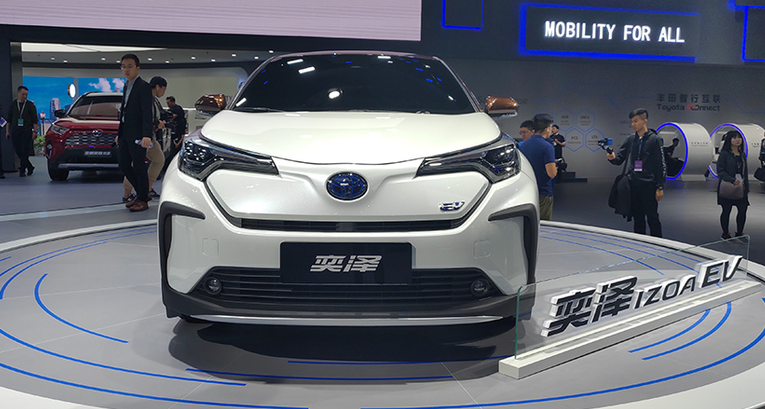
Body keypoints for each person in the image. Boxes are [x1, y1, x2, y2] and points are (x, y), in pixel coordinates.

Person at [607, 108, 666, 237]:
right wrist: (612, 158)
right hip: (633, 184)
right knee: (638, 218)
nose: (633, 124)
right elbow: (619, 159)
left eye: (636, 121)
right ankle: (640, 243)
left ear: (645, 121)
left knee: (652, 217)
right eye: (632, 121)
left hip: (649, 185)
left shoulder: (655, 140)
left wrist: (660, 186)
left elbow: (660, 164)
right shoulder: (630, 139)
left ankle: (658, 243)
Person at [122, 76, 167, 203]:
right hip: (142, 137)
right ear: (157, 87)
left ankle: (147, 189)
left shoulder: (154, 100)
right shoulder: (145, 97)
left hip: (149, 136)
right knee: (137, 164)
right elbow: (144, 116)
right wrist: (157, 123)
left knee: (158, 159)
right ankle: (127, 193)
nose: (163, 93)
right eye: (163, 89)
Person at [117, 54, 154, 212]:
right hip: (126, 133)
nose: (126, 69)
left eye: (129, 66)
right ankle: (142, 193)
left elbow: (147, 112)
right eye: (124, 66)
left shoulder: (143, 86)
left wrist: (147, 135)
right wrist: (119, 133)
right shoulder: (126, 86)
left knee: (139, 167)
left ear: (137, 68)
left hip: (138, 134)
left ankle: (143, 199)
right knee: (123, 164)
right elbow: (124, 112)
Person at [519, 113, 557, 220]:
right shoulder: (547, 147)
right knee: (543, 224)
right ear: (547, 129)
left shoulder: (523, 145)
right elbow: (552, 173)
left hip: (528, 191)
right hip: (543, 192)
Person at [717, 130, 749, 239]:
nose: (737, 140)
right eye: (734, 138)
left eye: (739, 137)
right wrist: (731, 179)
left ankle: (740, 233)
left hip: (741, 187)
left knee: (743, 210)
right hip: (727, 187)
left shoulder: (742, 154)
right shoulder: (724, 154)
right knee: (726, 210)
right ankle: (725, 233)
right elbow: (720, 171)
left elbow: (745, 172)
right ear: (729, 140)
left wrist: (746, 187)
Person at [5, 86, 38, 177]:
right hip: (15, 131)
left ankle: (22, 169)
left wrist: (35, 132)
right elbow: (9, 120)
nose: (25, 96)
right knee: (17, 150)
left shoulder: (30, 105)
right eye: (23, 94)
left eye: (26, 94)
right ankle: (29, 166)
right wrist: (7, 131)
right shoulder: (13, 105)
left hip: (26, 131)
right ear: (18, 93)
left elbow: (35, 120)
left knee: (24, 150)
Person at [165, 96, 186, 164]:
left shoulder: (177, 109)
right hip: (174, 133)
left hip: (179, 132)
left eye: (169, 103)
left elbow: (172, 117)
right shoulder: (171, 110)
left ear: (172, 102)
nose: (168, 105)